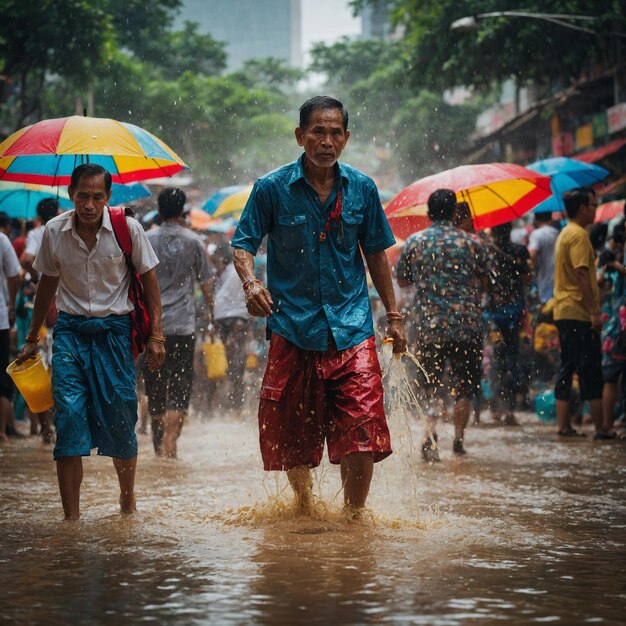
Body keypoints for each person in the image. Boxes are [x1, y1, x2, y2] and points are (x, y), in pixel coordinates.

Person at [231, 95, 406, 517]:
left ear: (346, 139)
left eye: (335, 133)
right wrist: (251, 282)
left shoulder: (362, 189)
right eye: (317, 132)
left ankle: (353, 518)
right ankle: (304, 505)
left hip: (352, 326)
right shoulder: (271, 188)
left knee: (362, 424)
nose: (326, 141)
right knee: (292, 430)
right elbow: (242, 244)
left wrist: (394, 316)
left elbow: (377, 254)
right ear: (300, 136)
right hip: (292, 326)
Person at [15, 164, 165, 520]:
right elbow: (47, 285)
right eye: (82, 196)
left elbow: (150, 279)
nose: (89, 204)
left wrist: (157, 335)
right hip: (69, 333)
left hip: (114, 334)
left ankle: (127, 504)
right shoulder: (54, 231)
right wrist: (32, 337)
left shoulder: (127, 228)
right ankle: (71, 520)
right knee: (67, 417)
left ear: (108, 198)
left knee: (121, 414)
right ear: (71, 195)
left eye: (97, 196)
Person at [396, 190, 490, 460]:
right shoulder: (473, 243)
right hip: (467, 325)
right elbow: (485, 282)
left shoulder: (416, 242)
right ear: (454, 213)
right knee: (465, 385)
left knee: (430, 384)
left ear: (428, 213)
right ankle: (459, 440)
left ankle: (431, 431)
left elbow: (402, 281)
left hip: (429, 326)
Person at [143, 187, 213, 458]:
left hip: (154, 328)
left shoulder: (147, 239)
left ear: (159, 211)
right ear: (184, 211)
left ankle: (159, 441)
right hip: (183, 326)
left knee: (155, 382)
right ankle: (171, 441)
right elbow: (207, 284)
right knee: (182, 381)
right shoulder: (194, 241)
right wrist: (211, 317)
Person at [553, 187, 613, 439]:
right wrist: (594, 311)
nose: (596, 208)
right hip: (578, 311)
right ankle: (601, 428)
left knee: (567, 367)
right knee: (591, 370)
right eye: (593, 203)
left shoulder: (566, 232)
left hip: (564, 308)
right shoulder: (578, 235)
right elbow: (579, 273)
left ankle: (564, 426)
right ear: (582, 209)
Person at [484, 222, 532, 425]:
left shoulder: (486, 250)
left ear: (492, 230)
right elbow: (528, 278)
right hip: (514, 313)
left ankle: (495, 406)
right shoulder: (519, 250)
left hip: (493, 315)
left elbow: (483, 282)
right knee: (513, 358)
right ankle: (510, 410)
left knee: (496, 358)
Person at [212, 243, 252, 414]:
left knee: (230, 357)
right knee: (238, 358)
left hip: (223, 316)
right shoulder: (242, 269)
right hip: (239, 317)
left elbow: (218, 297)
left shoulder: (225, 273)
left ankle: (233, 395)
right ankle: (237, 397)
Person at [0, 224, 20, 441]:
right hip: (1, 320)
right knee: (2, 380)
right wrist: (11, 306)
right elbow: (14, 275)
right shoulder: (2, 240)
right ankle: (3, 431)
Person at [21, 198, 59, 278]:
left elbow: (28, 260)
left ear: (40, 217)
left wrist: (35, 280)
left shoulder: (34, 234)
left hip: (43, 284)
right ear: (57, 214)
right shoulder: (64, 231)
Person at [528, 211, 559, 304]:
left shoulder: (537, 234)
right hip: (560, 281)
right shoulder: (557, 232)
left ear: (536, 220)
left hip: (546, 282)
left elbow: (532, 256)